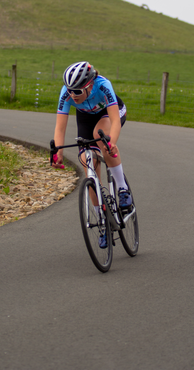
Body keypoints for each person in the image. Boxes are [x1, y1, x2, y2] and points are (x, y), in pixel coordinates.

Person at [52, 61, 132, 248]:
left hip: (110, 113)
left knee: (101, 138)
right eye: (70, 90)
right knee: (87, 163)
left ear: (89, 85)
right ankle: (102, 220)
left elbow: (114, 121)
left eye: (77, 91)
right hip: (86, 118)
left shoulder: (103, 85)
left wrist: (111, 143)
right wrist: (58, 153)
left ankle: (122, 188)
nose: (72, 95)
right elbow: (60, 127)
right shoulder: (67, 92)